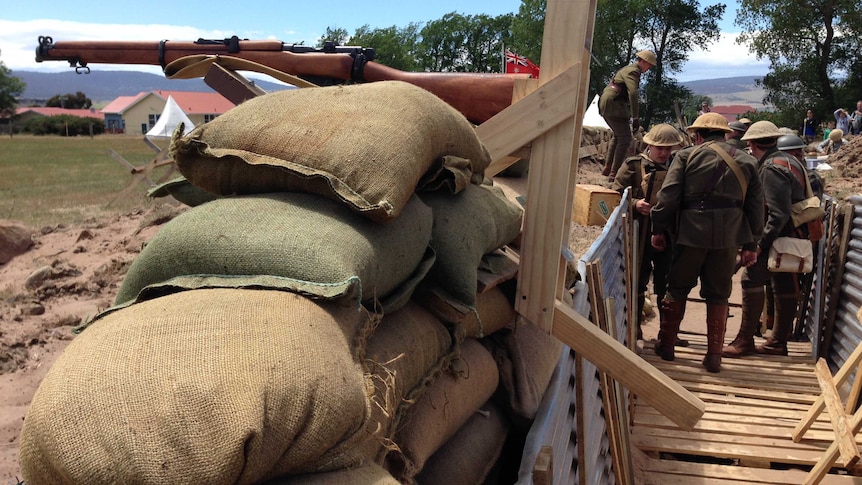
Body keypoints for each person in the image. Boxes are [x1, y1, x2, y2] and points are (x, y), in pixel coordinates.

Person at [650, 112, 764, 373]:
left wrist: (658, 228)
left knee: (677, 288)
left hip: (690, 235)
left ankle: (666, 345)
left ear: (698, 135)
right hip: (728, 240)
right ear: (725, 134)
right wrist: (750, 244)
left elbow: (667, 197)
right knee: (719, 294)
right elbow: (757, 208)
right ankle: (714, 357)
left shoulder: (686, 156)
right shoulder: (747, 161)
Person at [722, 122, 813, 358]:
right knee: (783, 283)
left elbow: (777, 213)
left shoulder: (771, 168)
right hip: (791, 235)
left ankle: (745, 340)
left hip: (779, 236)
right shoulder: (791, 161)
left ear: (751, 144)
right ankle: (777, 342)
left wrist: (760, 245)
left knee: (751, 278)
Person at [612, 123, 684, 342]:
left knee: (668, 284)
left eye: (668, 149)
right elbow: (613, 194)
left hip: (669, 233)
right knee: (637, 281)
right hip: (639, 233)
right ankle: (635, 330)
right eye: (659, 148)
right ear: (649, 146)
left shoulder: (679, 168)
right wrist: (635, 204)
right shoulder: (633, 166)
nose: (663, 153)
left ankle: (668, 334)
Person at [599, 49, 657, 179]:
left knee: (618, 136)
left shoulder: (628, 69)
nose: (649, 68)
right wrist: (635, 116)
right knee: (625, 139)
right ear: (643, 61)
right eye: (649, 65)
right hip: (615, 103)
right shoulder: (633, 71)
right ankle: (614, 172)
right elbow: (633, 92)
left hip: (608, 101)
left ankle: (608, 168)